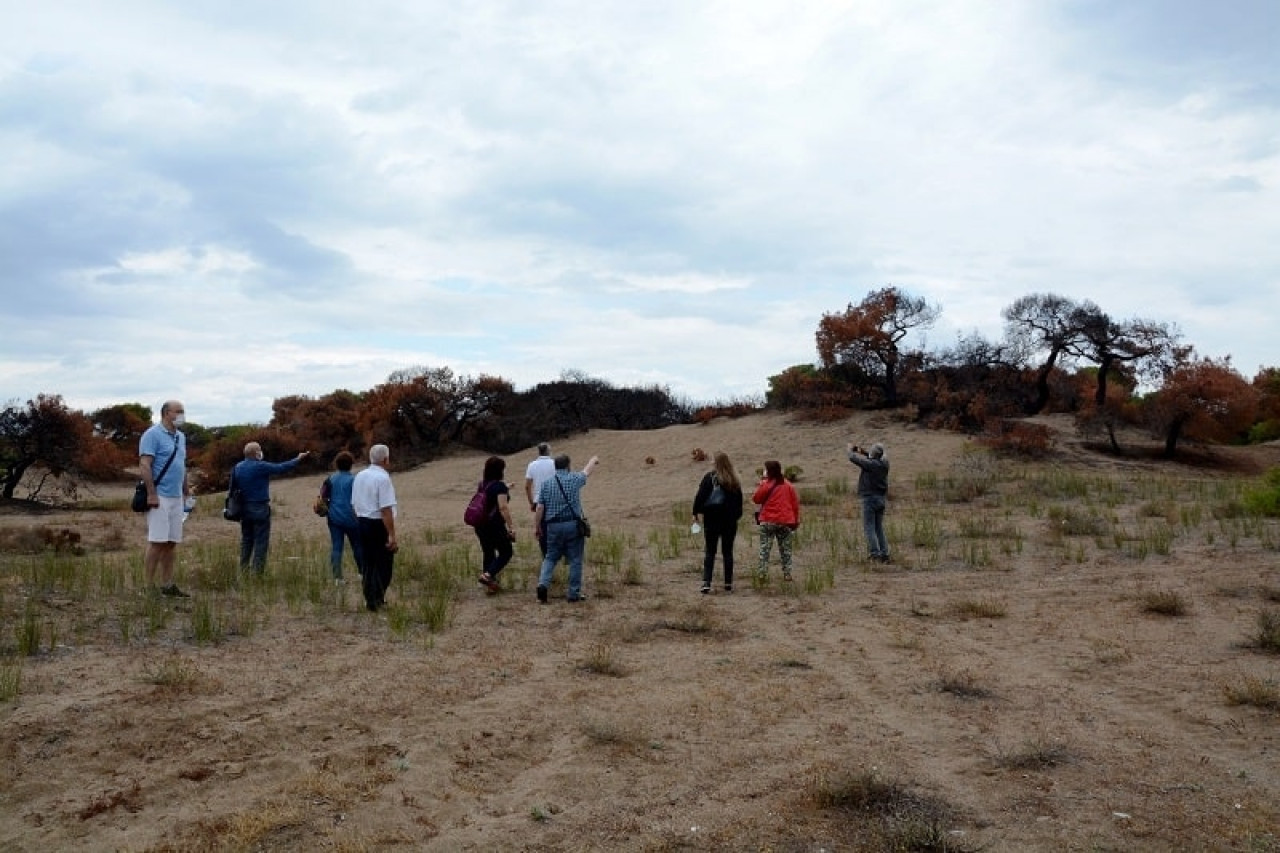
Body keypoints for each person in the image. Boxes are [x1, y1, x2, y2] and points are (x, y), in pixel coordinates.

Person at [139, 400, 191, 598]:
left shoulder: (181, 437)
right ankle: (148, 586)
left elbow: (181, 464)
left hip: (176, 496)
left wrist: (186, 490)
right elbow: (145, 465)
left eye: (183, 411)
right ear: (166, 413)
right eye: (178, 411)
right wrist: (152, 493)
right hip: (160, 496)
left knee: (171, 542)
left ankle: (168, 584)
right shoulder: (152, 435)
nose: (182, 415)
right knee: (157, 541)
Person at [232, 442, 310, 574]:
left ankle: (243, 569)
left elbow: (232, 489)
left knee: (246, 540)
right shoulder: (260, 466)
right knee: (261, 541)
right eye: (259, 450)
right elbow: (281, 467)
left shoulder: (237, 467)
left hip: (243, 509)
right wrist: (298, 459)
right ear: (256, 453)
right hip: (259, 507)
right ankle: (257, 572)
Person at [534, 453, 599, 603]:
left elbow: (540, 508)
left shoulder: (546, 484)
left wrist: (537, 526)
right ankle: (573, 594)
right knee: (575, 559)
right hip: (572, 525)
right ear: (568, 466)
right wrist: (593, 460)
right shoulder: (574, 479)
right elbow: (586, 472)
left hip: (553, 526)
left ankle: (543, 584)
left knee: (550, 557)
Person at [691, 451, 744, 594]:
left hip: (712, 519)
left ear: (716, 463)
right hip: (730, 521)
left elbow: (700, 496)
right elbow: (739, 502)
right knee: (728, 552)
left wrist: (695, 513)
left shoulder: (710, 478)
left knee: (710, 552)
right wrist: (736, 516)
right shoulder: (734, 480)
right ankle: (728, 583)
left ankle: (706, 582)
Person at [353, 444, 398, 612]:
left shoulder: (360, 475)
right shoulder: (383, 479)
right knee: (383, 564)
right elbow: (385, 509)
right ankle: (377, 598)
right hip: (377, 524)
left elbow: (354, 504)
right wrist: (392, 535)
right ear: (385, 459)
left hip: (362, 521)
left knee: (368, 563)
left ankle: (370, 597)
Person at [752, 460, 801, 583]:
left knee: (765, 549)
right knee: (786, 550)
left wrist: (761, 484)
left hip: (768, 520)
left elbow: (756, 499)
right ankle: (787, 573)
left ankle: (762, 573)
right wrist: (795, 520)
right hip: (785, 521)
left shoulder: (766, 484)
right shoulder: (788, 485)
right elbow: (795, 504)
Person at [475, 456, 517, 594]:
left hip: (480, 524)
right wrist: (511, 527)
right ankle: (487, 576)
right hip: (494, 525)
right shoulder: (499, 487)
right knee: (506, 551)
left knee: (488, 552)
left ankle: (490, 585)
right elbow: (503, 507)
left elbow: (490, 494)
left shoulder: (482, 484)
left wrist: (506, 486)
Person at [323, 451, 364, 583]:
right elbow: (359, 499)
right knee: (357, 546)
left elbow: (323, 496)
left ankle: (337, 577)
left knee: (336, 546)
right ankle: (362, 572)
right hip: (352, 517)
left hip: (334, 517)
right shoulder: (354, 480)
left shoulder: (330, 479)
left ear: (337, 464)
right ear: (351, 465)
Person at [847, 442, 890, 563]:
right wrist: (859, 450)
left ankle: (874, 554)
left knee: (869, 528)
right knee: (878, 528)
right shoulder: (884, 464)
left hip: (870, 499)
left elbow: (853, 459)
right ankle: (884, 554)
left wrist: (850, 450)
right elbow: (869, 455)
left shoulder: (871, 465)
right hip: (881, 499)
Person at [524, 442, 555, 556]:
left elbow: (527, 486)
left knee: (542, 528)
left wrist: (531, 502)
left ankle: (545, 554)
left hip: (538, 500)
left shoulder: (532, 465)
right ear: (548, 451)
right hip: (554, 500)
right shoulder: (554, 463)